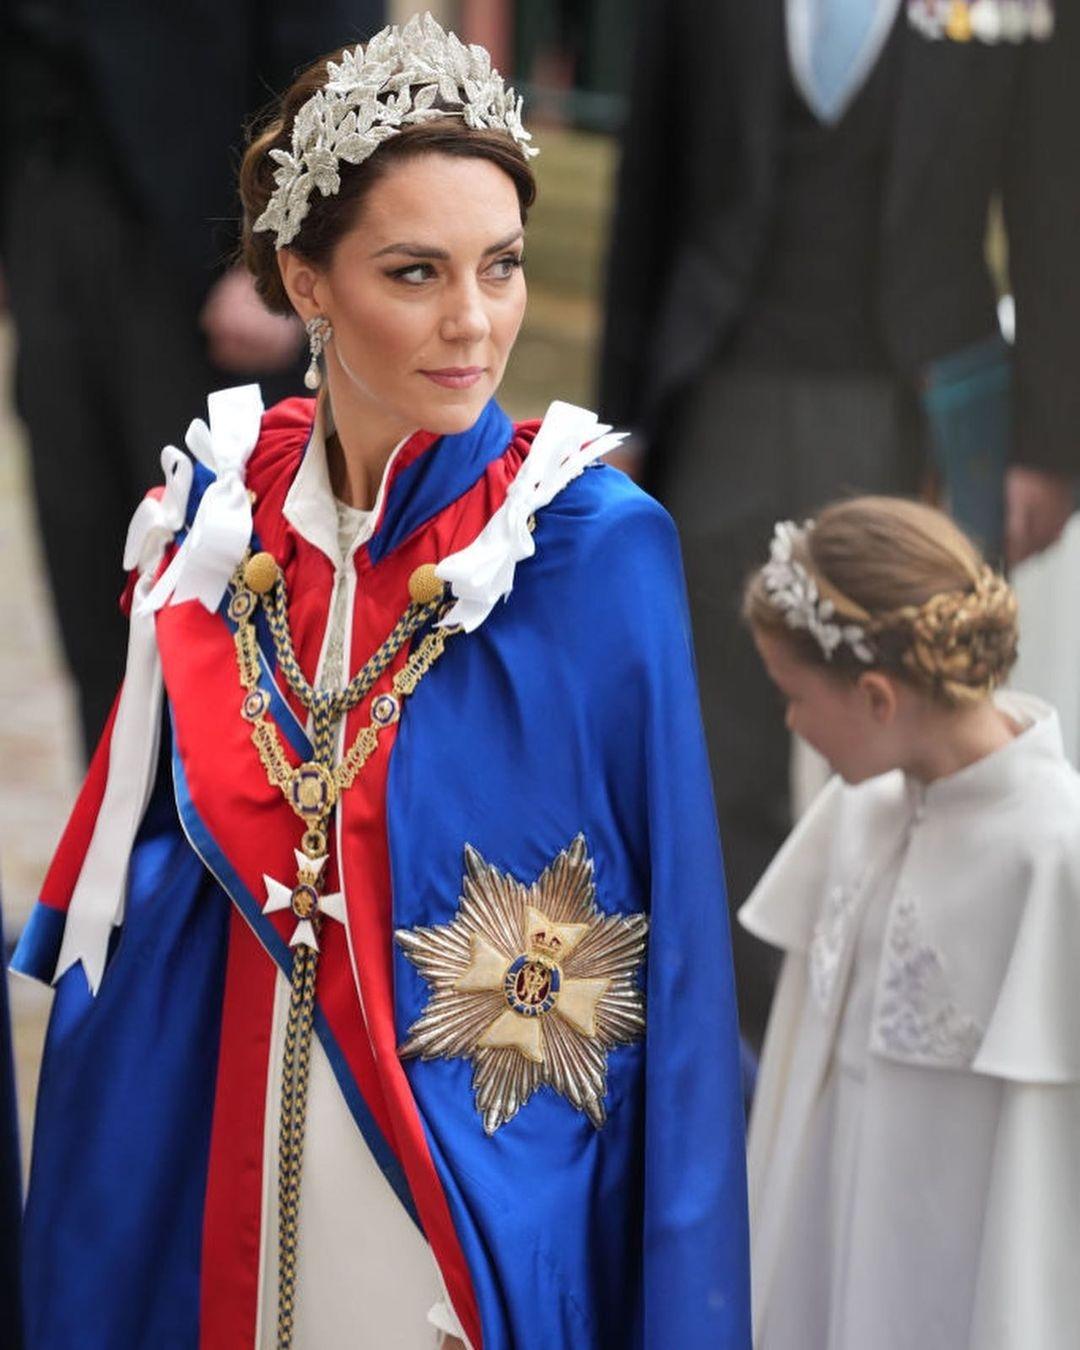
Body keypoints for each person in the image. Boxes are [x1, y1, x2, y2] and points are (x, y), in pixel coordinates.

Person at [11, 17, 750, 1349]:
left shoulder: (595, 551)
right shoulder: (215, 523)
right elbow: (134, 936)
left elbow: (685, 989)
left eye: (502, 265)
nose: (476, 322)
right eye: (417, 272)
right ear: (305, 282)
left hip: (469, 1228)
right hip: (229, 1184)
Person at [598, 0, 1080, 1050]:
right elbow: (651, 177)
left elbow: (1056, 202)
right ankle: (741, 1048)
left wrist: (1050, 446)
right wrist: (623, 417)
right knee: (718, 740)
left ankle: (916, 1030)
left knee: (927, 730)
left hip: (922, 416)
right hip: (724, 391)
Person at [739, 496, 1080, 1348]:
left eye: (793, 696)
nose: (791, 723)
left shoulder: (1052, 857)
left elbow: (1049, 1165)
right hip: (821, 1264)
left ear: (877, 698)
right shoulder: (856, 813)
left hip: (952, 1287)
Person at [0, 0, 383, 757]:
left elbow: (333, 55)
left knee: (222, 595)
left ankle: (240, 826)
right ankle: (114, 821)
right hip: (46, 202)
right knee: (93, 575)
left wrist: (286, 248)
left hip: (209, 239)